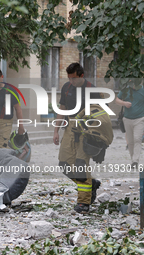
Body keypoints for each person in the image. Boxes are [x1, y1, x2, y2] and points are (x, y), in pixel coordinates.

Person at [53, 62, 101, 214]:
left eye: (74, 79)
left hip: (86, 130)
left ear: (81, 76)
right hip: (69, 129)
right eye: (69, 78)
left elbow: (99, 113)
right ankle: (91, 183)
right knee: (64, 164)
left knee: (81, 165)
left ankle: (83, 203)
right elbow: (62, 109)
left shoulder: (91, 90)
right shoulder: (67, 88)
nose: (71, 82)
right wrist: (56, 130)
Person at [115, 82, 144, 169]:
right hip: (127, 119)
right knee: (130, 142)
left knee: (137, 139)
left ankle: (136, 160)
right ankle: (133, 161)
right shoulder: (125, 89)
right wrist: (124, 103)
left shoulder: (142, 90)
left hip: (140, 119)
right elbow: (117, 100)